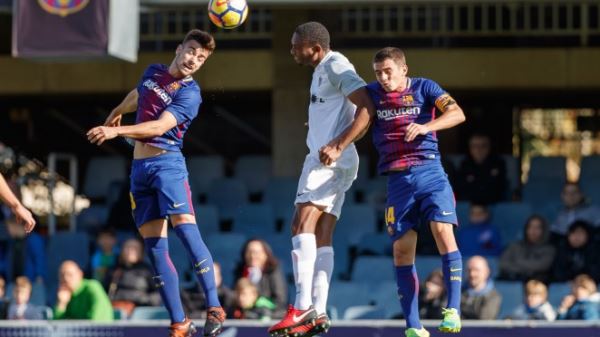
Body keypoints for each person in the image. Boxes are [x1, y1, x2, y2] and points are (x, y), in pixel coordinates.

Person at [87, 29, 225, 337]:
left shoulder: (191, 94)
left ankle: (214, 306)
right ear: (179, 49)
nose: (194, 59)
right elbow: (139, 94)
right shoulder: (153, 71)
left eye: (201, 58)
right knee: (154, 248)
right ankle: (180, 323)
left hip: (167, 166)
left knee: (187, 234)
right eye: (191, 51)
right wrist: (116, 112)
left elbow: (159, 126)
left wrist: (115, 132)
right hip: (140, 170)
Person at [320, 47, 466, 337]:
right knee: (401, 251)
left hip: (430, 172)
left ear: (403, 69)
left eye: (388, 71)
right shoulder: (372, 93)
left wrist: (426, 127)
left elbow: (457, 114)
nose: (384, 78)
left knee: (442, 232)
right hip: (397, 181)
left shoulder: (425, 87)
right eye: (378, 73)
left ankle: (453, 310)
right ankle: (413, 325)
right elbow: (355, 117)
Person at [267, 22, 374, 337]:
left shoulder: (335, 65)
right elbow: (339, 109)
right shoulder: (322, 71)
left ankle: (301, 307)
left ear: (314, 48)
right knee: (323, 232)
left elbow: (367, 105)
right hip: (338, 161)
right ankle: (320, 310)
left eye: (295, 45)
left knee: (301, 225)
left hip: (327, 160)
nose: (291, 50)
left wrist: (337, 144)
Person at [104, 238, 161, 317]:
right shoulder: (113, 270)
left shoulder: (148, 271)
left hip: (140, 312)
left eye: (134, 248)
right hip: (115, 309)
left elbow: (158, 295)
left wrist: (141, 299)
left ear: (141, 252)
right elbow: (104, 293)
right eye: (127, 247)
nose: (130, 251)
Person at [233, 239, 287, 318]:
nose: (252, 256)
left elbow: (280, 301)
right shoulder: (240, 272)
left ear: (266, 254)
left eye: (256, 252)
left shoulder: (273, 272)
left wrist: (259, 305)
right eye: (249, 252)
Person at [498, 215, 556, 282]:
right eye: (530, 227)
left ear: (544, 230)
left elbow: (542, 266)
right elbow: (503, 264)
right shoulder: (514, 246)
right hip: (514, 281)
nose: (533, 231)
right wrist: (527, 271)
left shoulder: (549, 249)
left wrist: (516, 262)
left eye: (537, 228)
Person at [456, 134, 507, 204]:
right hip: (469, 207)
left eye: (483, 146)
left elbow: (499, 189)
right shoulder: (464, 165)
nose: (478, 150)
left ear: (490, 147)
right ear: (469, 148)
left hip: (494, 205)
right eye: (475, 146)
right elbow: (461, 190)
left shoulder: (498, 164)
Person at [0, 216, 46, 283]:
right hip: (12, 282)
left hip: (30, 283)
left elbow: (40, 260)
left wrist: (39, 277)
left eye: (9, 227)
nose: (7, 230)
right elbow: (5, 262)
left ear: (16, 225)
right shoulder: (10, 242)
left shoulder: (34, 240)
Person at [461, 256, 501, 320]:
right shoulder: (458, 292)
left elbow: (485, 320)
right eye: (469, 270)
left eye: (476, 270)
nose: (472, 274)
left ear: (487, 272)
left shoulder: (493, 296)